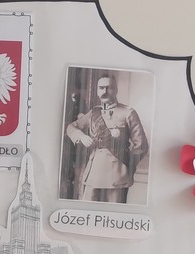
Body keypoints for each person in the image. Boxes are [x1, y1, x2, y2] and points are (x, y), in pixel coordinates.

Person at [64, 73, 150, 203]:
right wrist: (81, 136)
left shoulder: (128, 112)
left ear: (116, 90)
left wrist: (128, 165)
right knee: (89, 208)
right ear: (97, 91)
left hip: (117, 174)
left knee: (114, 210)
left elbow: (141, 145)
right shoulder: (93, 113)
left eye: (109, 88)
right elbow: (71, 127)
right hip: (94, 173)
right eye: (101, 88)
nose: (104, 92)